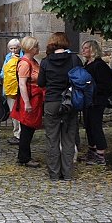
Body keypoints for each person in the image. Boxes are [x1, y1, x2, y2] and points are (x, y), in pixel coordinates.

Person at [37, 32, 81, 181]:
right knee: (69, 139)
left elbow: (41, 83)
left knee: (52, 139)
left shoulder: (45, 61)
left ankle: (54, 174)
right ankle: (67, 173)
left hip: (52, 102)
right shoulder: (74, 59)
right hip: (70, 101)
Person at [81, 39, 112, 166]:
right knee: (88, 126)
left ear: (93, 49)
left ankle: (100, 155)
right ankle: (92, 151)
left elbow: (105, 85)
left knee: (96, 126)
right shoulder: (87, 64)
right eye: (83, 48)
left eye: (86, 48)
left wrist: (91, 88)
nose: (83, 50)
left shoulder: (99, 65)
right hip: (88, 101)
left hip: (97, 101)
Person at [11, 36, 42, 168]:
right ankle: (24, 157)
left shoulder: (32, 61)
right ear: (31, 48)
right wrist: (27, 103)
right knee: (27, 129)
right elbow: (22, 84)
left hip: (34, 98)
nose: (38, 48)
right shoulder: (25, 63)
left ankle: (24, 156)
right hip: (29, 100)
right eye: (36, 46)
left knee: (29, 128)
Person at [0, 38, 22, 145]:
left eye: (15, 48)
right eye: (11, 48)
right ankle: (16, 133)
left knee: (21, 111)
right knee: (13, 111)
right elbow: (2, 73)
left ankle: (22, 133)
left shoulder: (22, 57)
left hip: (20, 88)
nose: (13, 50)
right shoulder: (8, 57)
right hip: (10, 88)